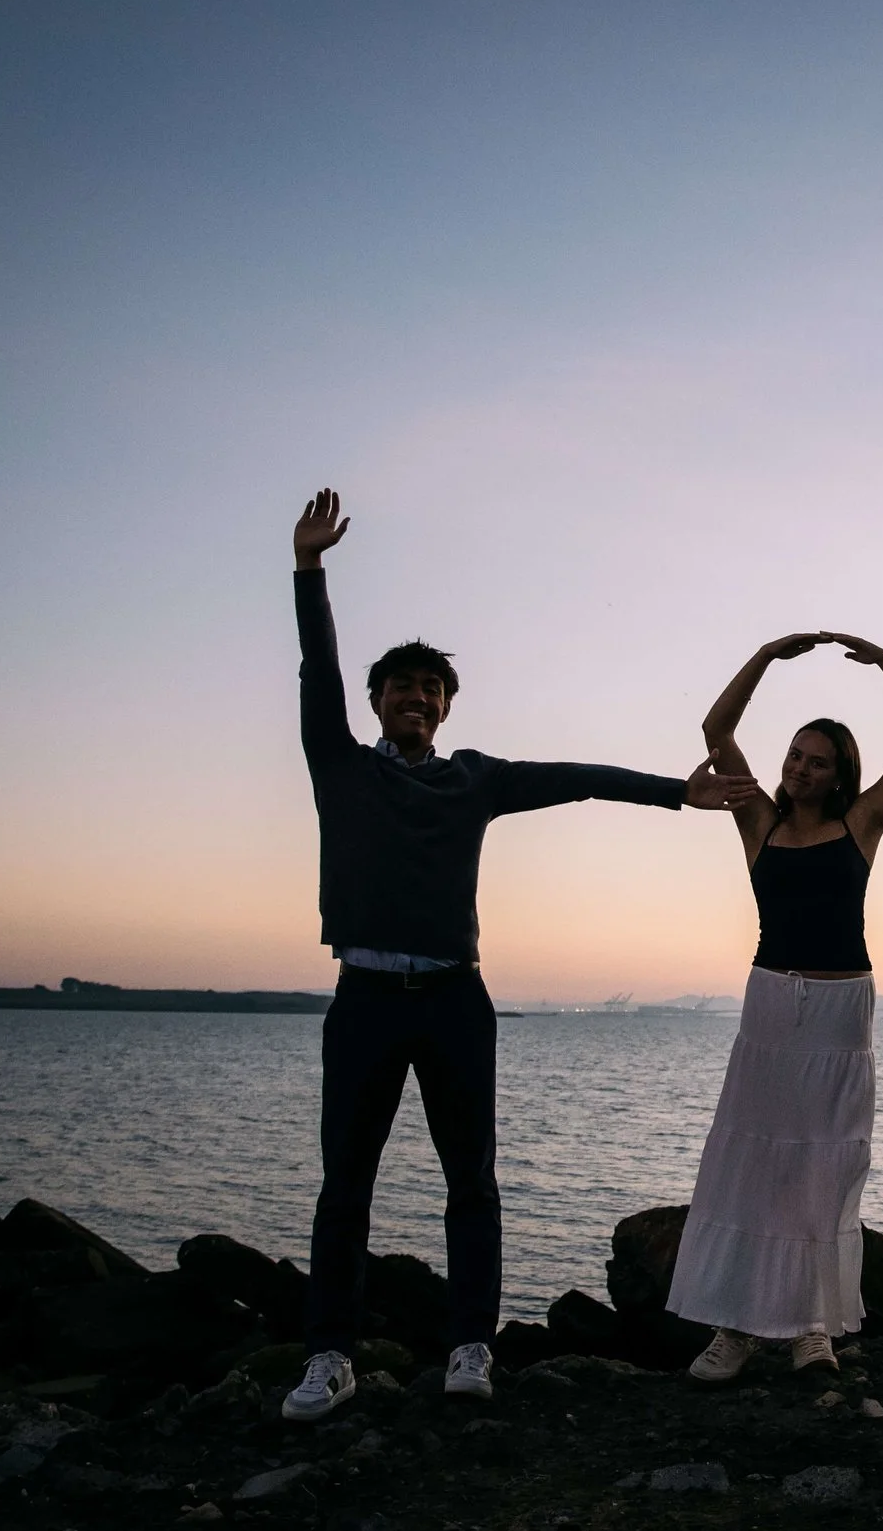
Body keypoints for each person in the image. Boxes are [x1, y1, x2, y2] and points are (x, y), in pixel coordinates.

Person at [280, 488, 755, 1423]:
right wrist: (309, 568)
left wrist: (675, 793)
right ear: (377, 702)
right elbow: (315, 666)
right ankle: (329, 1356)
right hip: (366, 997)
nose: (416, 698)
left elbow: (575, 780)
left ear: (446, 709)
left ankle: (470, 1347)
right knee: (346, 1185)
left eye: (432, 689)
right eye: (401, 686)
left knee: (474, 1181)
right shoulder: (339, 764)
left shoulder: (474, 780)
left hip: (455, 999)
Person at [670, 631, 883, 1382]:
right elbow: (716, 730)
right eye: (794, 755)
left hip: (839, 1009)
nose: (799, 768)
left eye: (816, 761)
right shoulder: (757, 819)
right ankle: (736, 1326)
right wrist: (761, 656)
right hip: (770, 1006)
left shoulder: (860, 825)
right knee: (754, 1162)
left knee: (823, 1168)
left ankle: (811, 1328)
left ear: (838, 774)